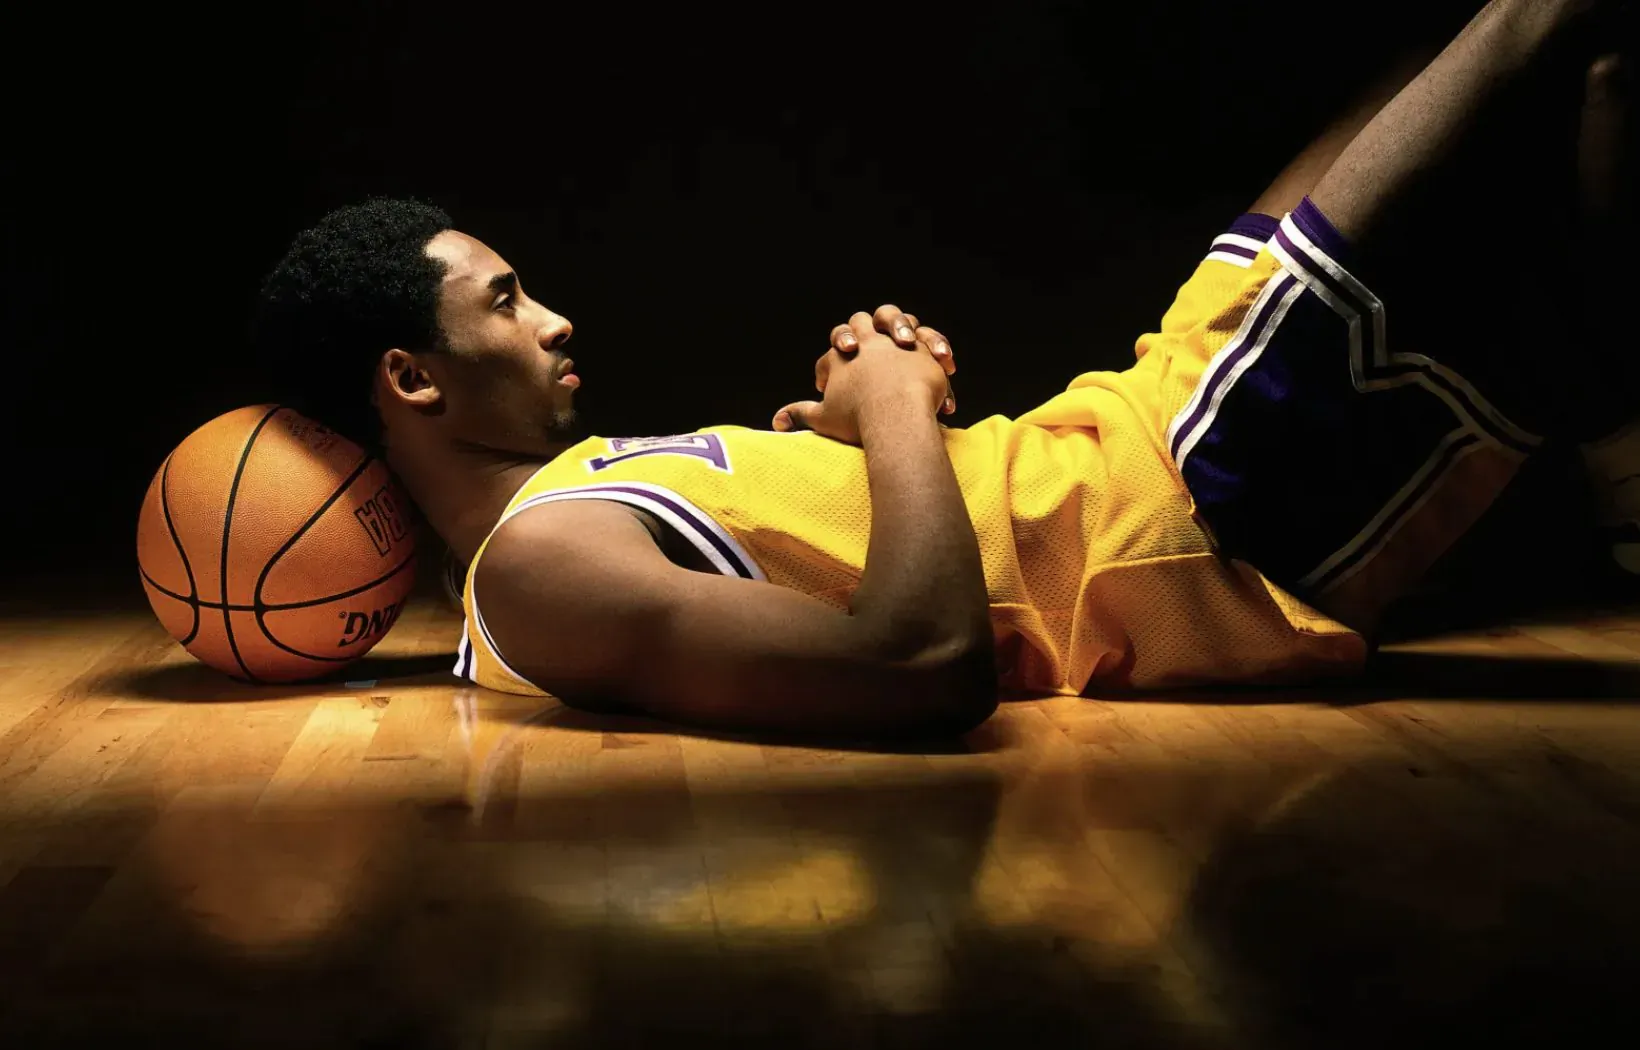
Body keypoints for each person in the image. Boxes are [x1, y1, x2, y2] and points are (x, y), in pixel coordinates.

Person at [256, 0, 1632, 740]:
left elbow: (867, 568)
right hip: (1186, 502)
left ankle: (1616, 415)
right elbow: (917, 663)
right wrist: (899, 409)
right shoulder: (533, 567)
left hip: (1138, 415)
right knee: (1535, 32)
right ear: (413, 380)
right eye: (503, 302)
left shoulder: (573, 500)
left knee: (1545, 90)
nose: (553, 319)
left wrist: (854, 441)